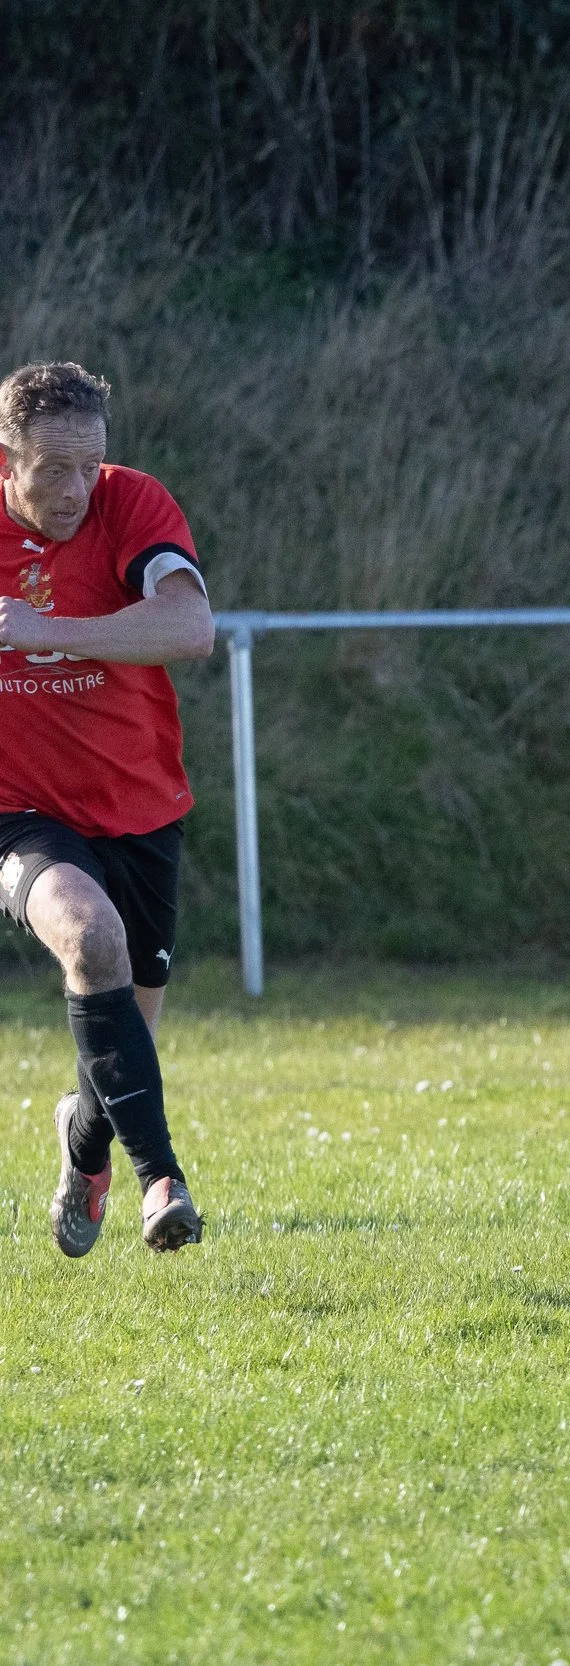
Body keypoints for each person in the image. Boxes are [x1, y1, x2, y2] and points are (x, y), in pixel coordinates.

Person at [0, 361, 216, 1256]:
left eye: (90, 464)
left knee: (124, 1031)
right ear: (7, 457)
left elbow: (188, 629)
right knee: (89, 939)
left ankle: (84, 1145)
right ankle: (160, 1181)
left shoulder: (131, 504)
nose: (76, 488)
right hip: (18, 814)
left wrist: (45, 628)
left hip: (138, 804)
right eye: (52, 468)